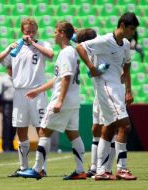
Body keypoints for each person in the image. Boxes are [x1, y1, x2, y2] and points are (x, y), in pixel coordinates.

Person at [17, 21, 86, 180]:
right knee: (73, 134)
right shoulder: (72, 51)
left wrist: (60, 100)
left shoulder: (66, 52)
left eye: (56, 32)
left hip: (62, 100)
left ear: (62, 33)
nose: (54, 35)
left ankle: (37, 169)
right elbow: (58, 79)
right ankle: (80, 170)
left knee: (44, 131)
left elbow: (67, 77)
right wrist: (39, 90)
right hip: (74, 100)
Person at [76, 12, 139, 180]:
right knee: (125, 126)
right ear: (122, 25)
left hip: (117, 88)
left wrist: (128, 90)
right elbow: (80, 47)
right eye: (132, 28)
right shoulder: (104, 40)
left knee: (109, 128)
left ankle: (101, 171)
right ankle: (121, 168)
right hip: (106, 87)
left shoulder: (125, 43)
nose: (133, 32)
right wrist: (91, 66)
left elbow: (127, 65)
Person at [0, 17, 54, 177]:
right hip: (19, 93)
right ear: (22, 31)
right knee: (21, 130)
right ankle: (23, 167)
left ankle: (41, 167)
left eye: (33, 32)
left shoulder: (42, 44)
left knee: (41, 129)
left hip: (37, 92)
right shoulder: (16, 47)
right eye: (28, 32)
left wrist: (33, 43)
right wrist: (8, 49)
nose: (30, 34)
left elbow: (51, 55)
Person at [75, 28, 116, 178]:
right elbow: (77, 40)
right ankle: (94, 167)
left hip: (107, 92)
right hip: (98, 96)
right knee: (95, 130)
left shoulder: (102, 49)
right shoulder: (90, 48)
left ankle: (107, 168)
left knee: (109, 131)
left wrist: (96, 69)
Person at [0, 65, 16, 152]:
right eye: (10, 68)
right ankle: (5, 146)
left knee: (14, 126)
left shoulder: (16, 79)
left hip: (15, 104)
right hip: (7, 104)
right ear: (7, 69)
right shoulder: (3, 79)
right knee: (6, 125)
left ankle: (11, 145)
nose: (11, 70)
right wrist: (0, 105)